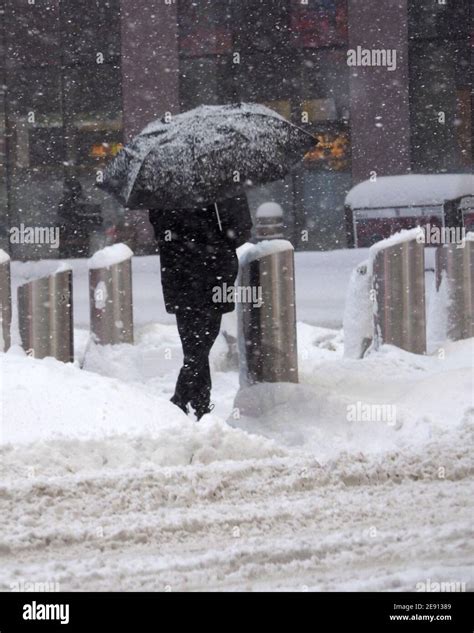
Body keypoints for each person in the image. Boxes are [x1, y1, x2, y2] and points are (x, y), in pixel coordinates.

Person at [149, 195, 252, 420]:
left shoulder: (165, 190)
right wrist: (214, 237)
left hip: (181, 274)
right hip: (210, 271)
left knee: (195, 345)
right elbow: (241, 230)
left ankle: (197, 402)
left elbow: (160, 233)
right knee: (199, 345)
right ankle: (186, 401)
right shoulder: (222, 186)